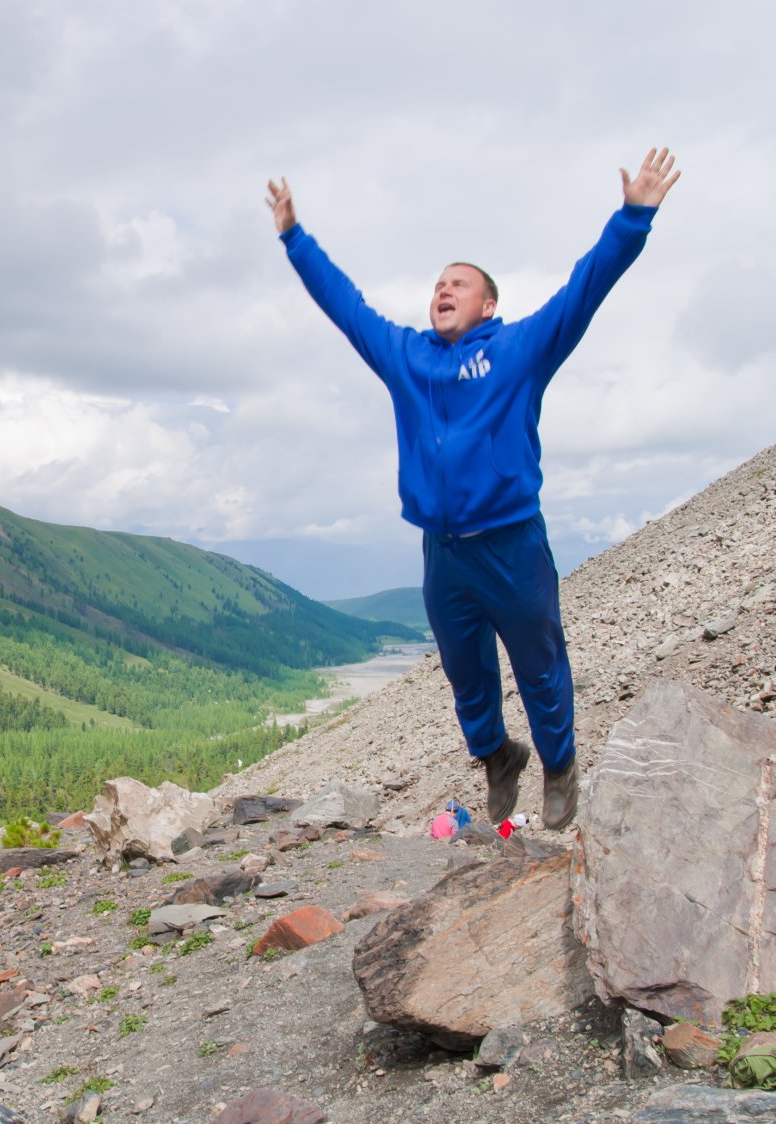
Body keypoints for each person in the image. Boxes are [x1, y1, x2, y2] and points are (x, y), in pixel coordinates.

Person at [266, 149, 679, 830]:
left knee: (539, 663)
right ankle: (497, 757)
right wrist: (294, 237)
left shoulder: (519, 350)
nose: (443, 291)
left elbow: (586, 287)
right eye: (437, 284)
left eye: (458, 284)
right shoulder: (407, 357)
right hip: (444, 550)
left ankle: (559, 765)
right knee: (466, 673)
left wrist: (633, 216)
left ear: (488, 304)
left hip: (511, 543)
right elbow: (346, 306)